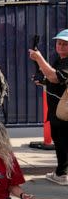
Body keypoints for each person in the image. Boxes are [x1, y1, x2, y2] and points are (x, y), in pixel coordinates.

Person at [28, 28, 68, 185]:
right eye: (59, 43)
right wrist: (42, 80)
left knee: (63, 142)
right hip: (57, 110)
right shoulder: (59, 60)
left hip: (63, 111)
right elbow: (53, 79)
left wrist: (39, 59)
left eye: (65, 44)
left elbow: (55, 77)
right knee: (60, 141)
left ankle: (61, 174)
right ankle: (61, 172)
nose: (61, 47)